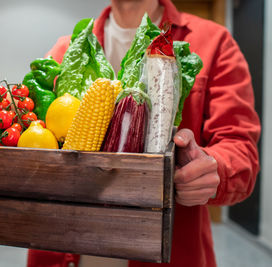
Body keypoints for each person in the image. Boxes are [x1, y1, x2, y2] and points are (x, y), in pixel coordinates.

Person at [26, 0, 261, 266]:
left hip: (168, 251)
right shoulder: (65, 49)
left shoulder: (214, 43)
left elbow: (240, 149)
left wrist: (213, 167)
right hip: (66, 249)